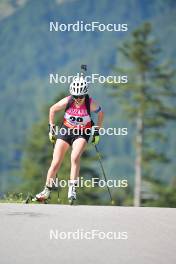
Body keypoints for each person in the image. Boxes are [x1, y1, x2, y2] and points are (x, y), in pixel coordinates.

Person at [34, 75, 104, 202]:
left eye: (80, 96)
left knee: (75, 157)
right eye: (75, 96)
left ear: (85, 94)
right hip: (66, 131)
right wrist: (51, 128)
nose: (77, 99)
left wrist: (97, 131)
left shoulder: (90, 103)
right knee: (55, 162)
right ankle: (47, 190)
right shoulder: (68, 100)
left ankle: (72, 189)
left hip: (82, 132)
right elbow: (52, 109)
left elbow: (100, 113)